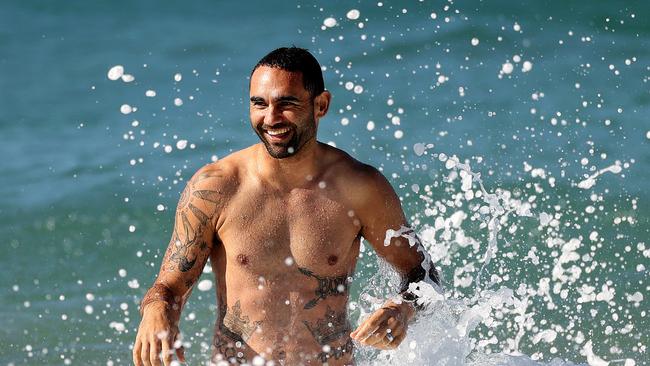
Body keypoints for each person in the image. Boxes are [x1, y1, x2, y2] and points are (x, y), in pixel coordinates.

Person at [132, 46, 440, 366]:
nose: (271, 118)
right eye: (259, 104)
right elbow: (169, 286)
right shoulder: (215, 187)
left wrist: (402, 309)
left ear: (321, 105)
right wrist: (157, 312)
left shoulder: (359, 187)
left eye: (286, 104)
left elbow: (424, 275)